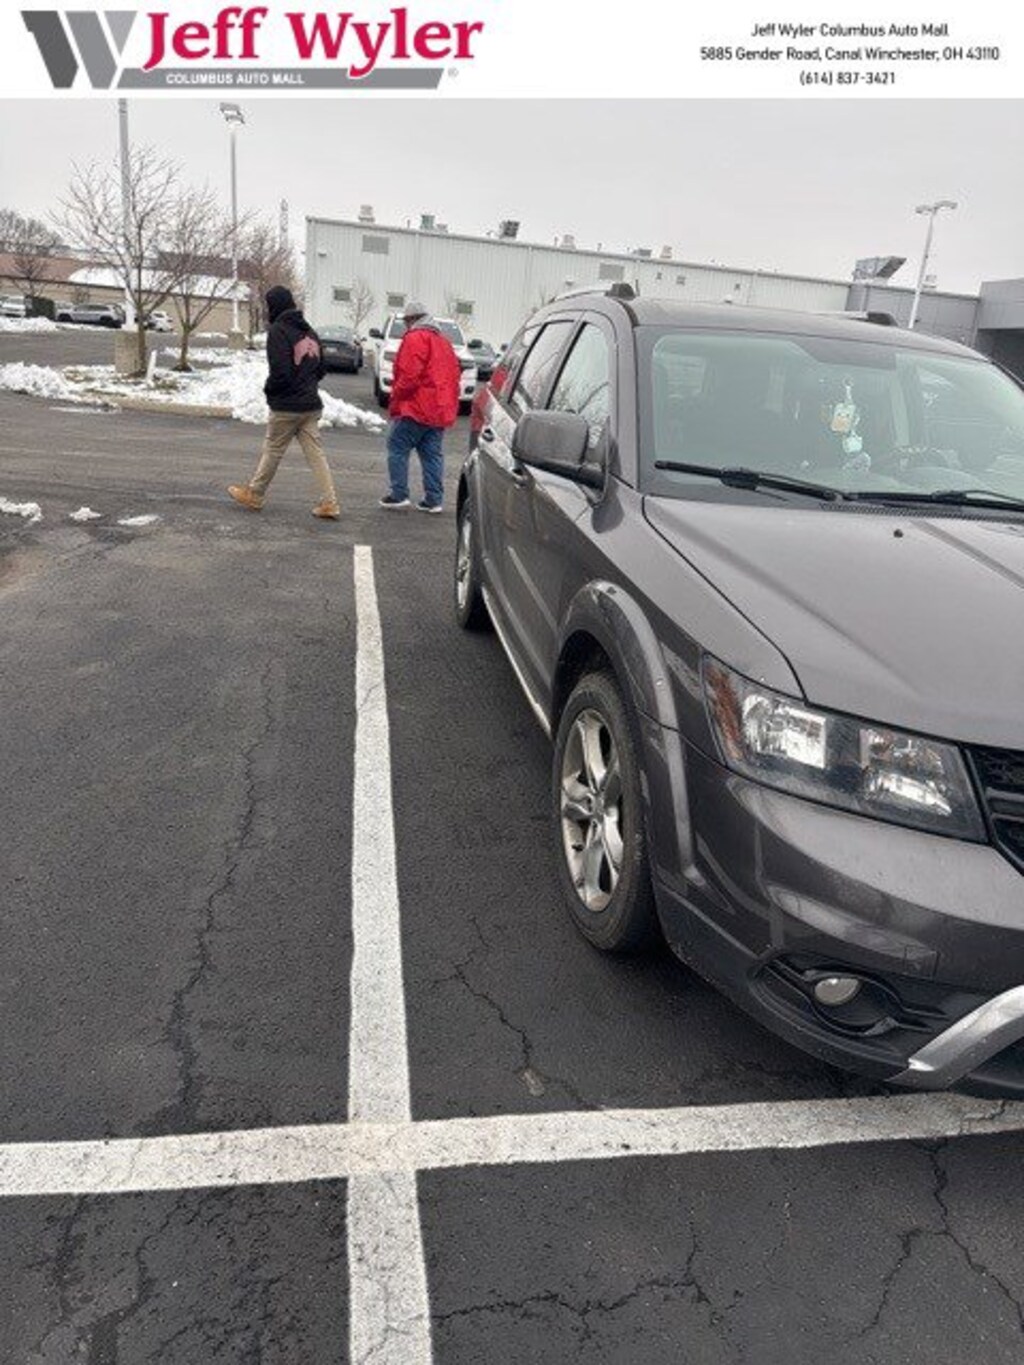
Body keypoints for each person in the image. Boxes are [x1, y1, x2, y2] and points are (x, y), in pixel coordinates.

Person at [228, 285, 340, 520]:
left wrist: (270, 391)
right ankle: (329, 502)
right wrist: (307, 383)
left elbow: (281, 371)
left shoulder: (278, 331)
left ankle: (255, 494)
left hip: (286, 406)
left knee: (273, 449)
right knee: (316, 455)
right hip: (311, 405)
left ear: (274, 306)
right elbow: (322, 368)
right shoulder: (310, 331)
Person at [380, 301, 461, 513]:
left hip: (416, 407)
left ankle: (399, 495)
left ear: (412, 319)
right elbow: (453, 376)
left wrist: (396, 400)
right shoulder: (444, 342)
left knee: (397, 447)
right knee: (431, 454)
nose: (405, 326)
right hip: (439, 409)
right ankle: (433, 500)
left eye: (406, 321)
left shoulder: (415, 338)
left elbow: (409, 376)